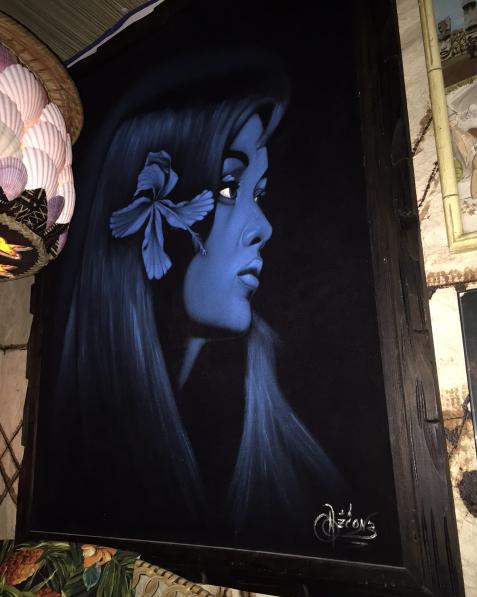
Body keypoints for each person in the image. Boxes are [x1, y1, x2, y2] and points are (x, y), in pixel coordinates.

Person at [45, 48, 342, 545]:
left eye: (258, 193)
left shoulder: (277, 436)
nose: (262, 228)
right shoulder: (82, 457)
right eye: (228, 189)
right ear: (144, 208)